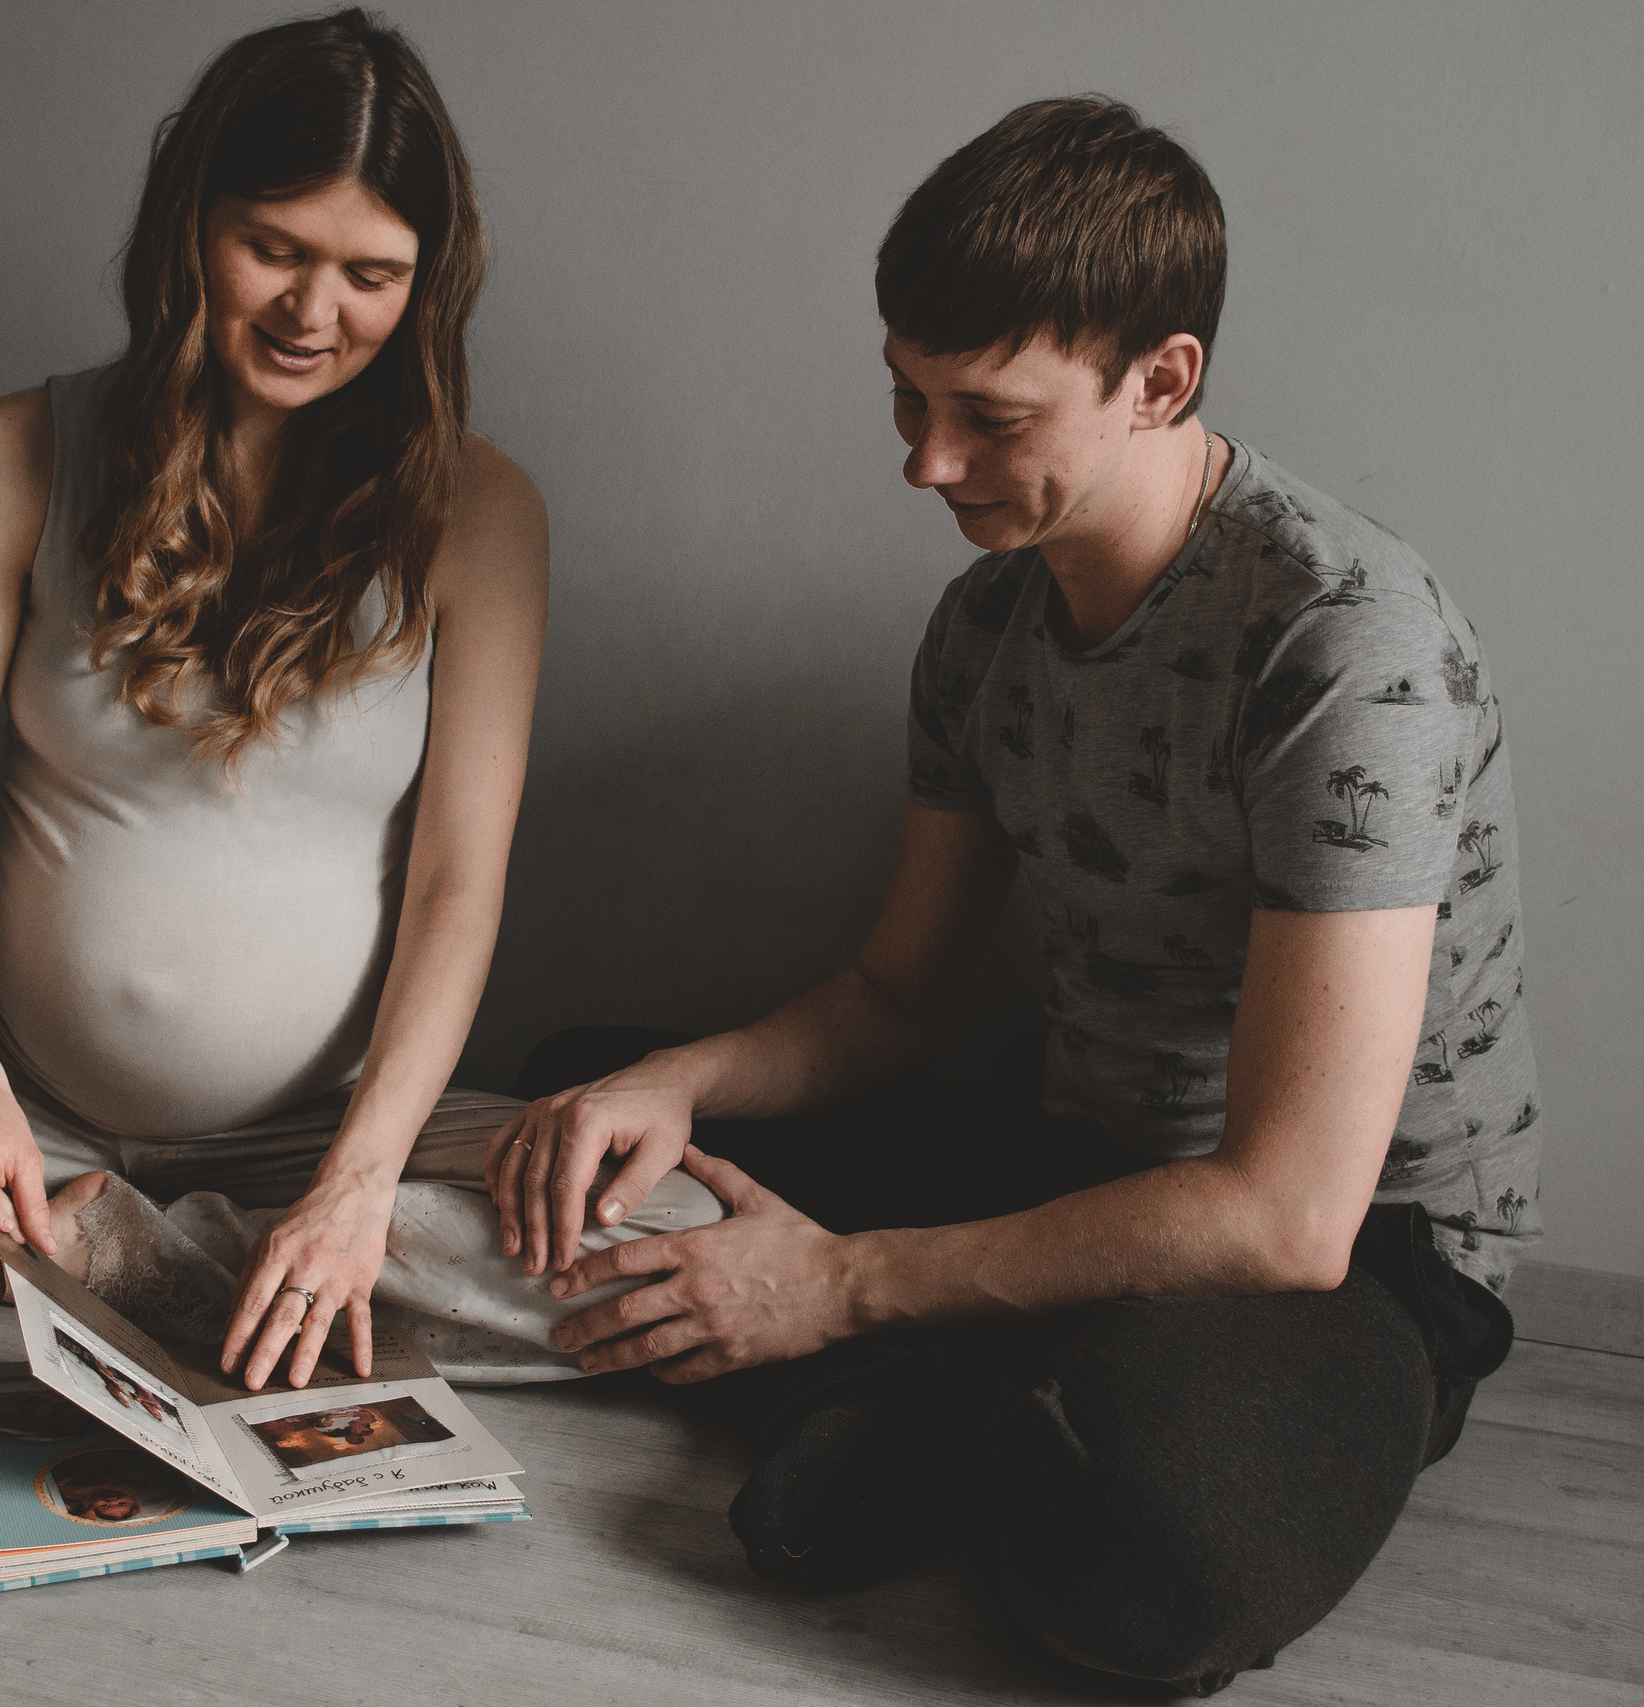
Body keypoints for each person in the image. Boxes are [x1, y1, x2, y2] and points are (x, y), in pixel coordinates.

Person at [490, 99, 1534, 1695]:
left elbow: (1286, 1211)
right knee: (575, 1095)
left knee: (1158, 1571)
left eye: (986, 414)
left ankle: (920, 1376)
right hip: (1079, 1153)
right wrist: (673, 1078)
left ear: (1161, 379)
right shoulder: (984, 630)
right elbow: (897, 1000)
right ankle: (971, 1383)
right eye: (906, 399)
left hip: (1356, 1247)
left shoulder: (1343, 641)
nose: (926, 462)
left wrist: (841, 1280)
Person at [0, 7, 715, 1390]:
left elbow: (459, 886)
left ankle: (113, 1258)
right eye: (272, 248)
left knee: (665, 1237)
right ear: (189, 225)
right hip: (0, 1074)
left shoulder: (482, 511)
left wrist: (355, 1186)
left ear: (428, 282)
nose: (313, 312)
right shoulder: (10, 454)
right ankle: (99, 1238)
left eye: (370, 274)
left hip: (318, 1127)